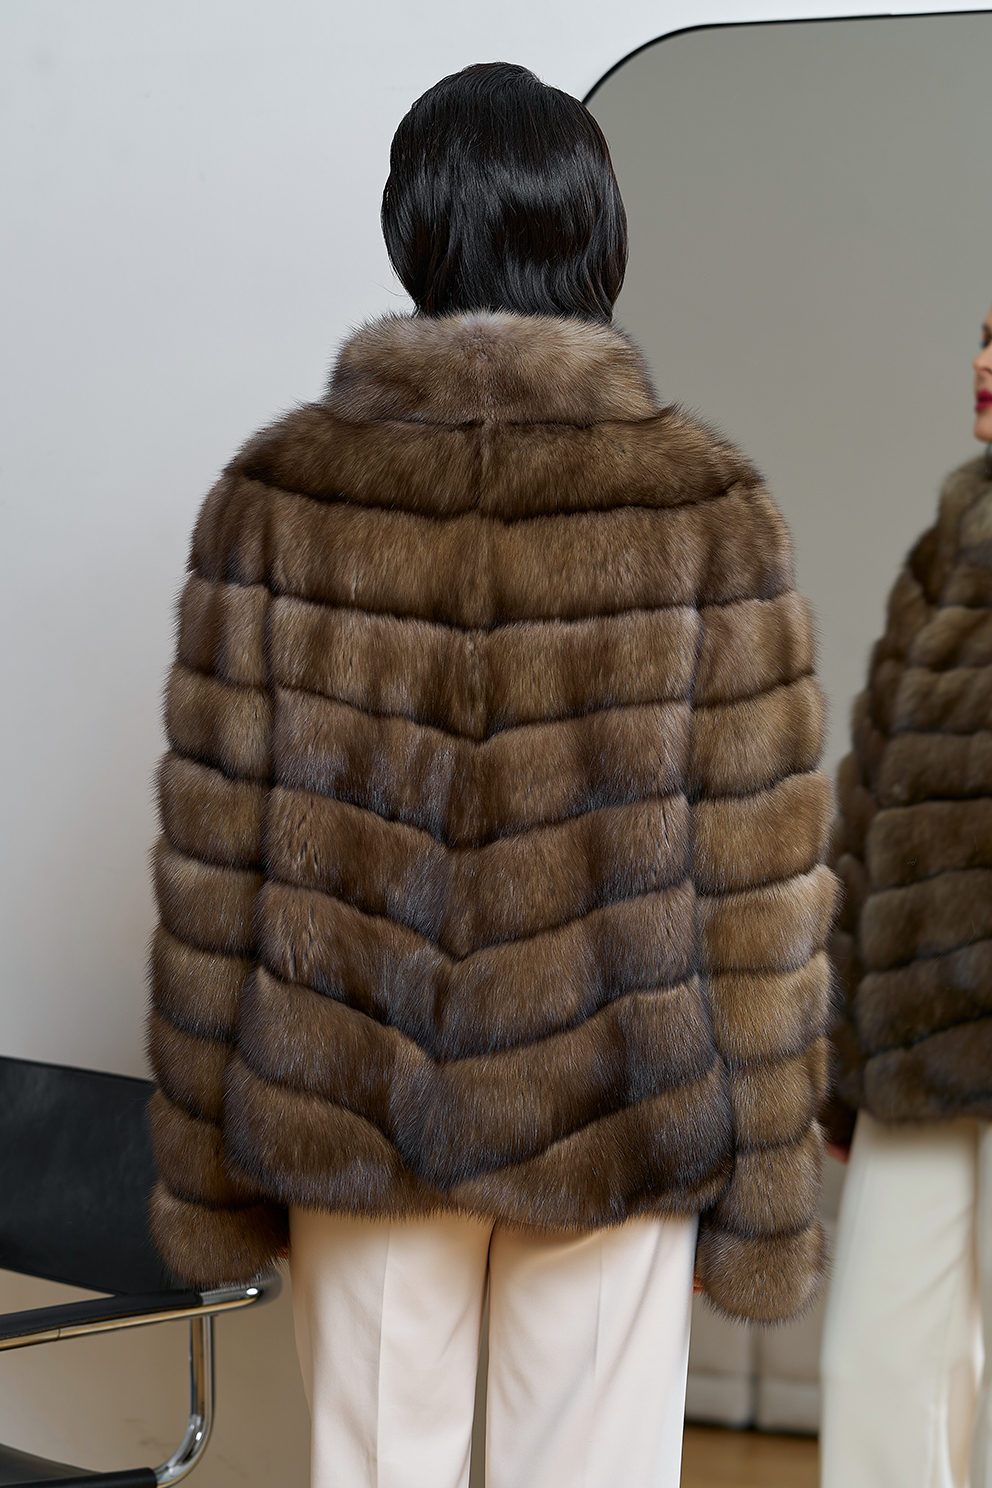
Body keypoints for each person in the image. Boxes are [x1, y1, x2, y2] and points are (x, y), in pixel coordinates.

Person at [146, 61, 834, 1488]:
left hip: (357, 1105)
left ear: (413, 231)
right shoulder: (703, 508)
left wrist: (208, 1163)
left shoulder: (277, 500)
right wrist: (767, 1186)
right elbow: (756, 891)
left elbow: (217, 867)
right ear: (598, 233)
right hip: (615, 1106)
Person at [822, 305, 992, 1488]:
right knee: (872, 1366)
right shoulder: (948, 540)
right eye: (982, 333)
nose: (981, 361)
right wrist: (842, 1054)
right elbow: (869, 801)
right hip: (917, 1050)